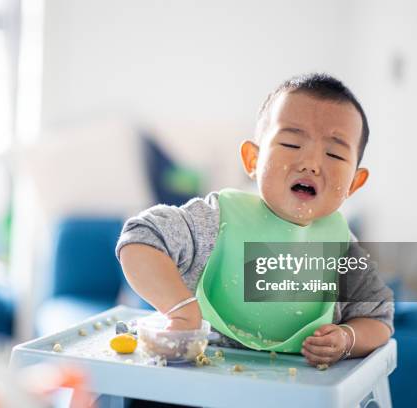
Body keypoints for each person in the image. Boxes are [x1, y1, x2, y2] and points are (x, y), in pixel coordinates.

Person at [116, 73, 393, 367]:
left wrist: (347, 339)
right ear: (252, 160)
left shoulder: (344, 249)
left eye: (334, 154)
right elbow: (139, 238)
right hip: (198, 377)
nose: (311, 164)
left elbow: (378, 320)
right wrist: (181, 311)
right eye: (291, 144)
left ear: (353, 183)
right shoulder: (216, 219)